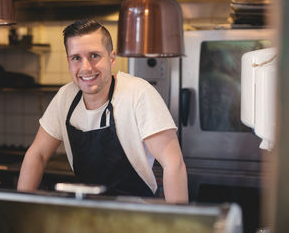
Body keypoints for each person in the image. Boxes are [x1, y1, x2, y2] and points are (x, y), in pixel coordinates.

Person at [17, 19, 188, 203]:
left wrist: (180, 223)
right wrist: (20, 210)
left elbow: (173, 163)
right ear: (68, 61)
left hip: (137, 217)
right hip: (89, 215)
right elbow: (37, 154)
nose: (86, 68)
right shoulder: (65, 97)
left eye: (94, 56)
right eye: (76, 58)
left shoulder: (138, 94)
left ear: (112, 58)